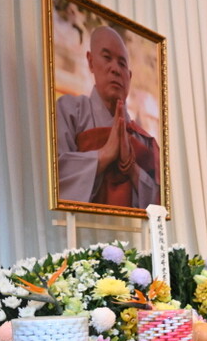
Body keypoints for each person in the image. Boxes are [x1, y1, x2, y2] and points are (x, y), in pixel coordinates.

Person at [56, 25, 161, 209]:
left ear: (129, 76)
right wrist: (104, 155)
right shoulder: (69, 110)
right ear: (90, 62)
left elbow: (160, 205)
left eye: (122, 63)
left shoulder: (144, 140)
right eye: (107, 58)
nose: (115, 69)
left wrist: (132, 170)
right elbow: (55, 177)